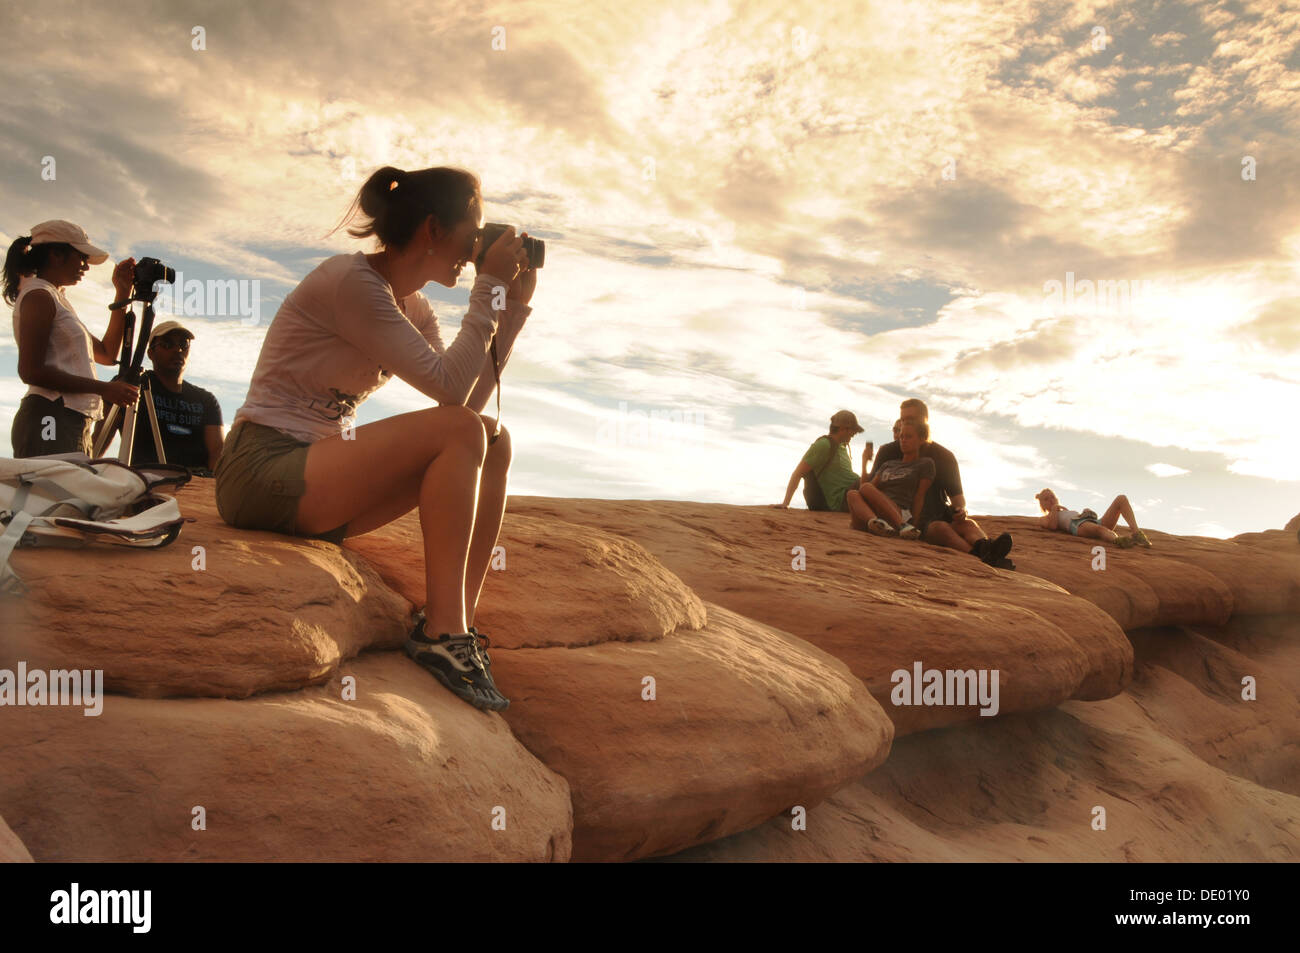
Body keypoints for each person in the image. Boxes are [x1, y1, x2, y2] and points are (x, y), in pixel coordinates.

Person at [214, 165, 535, 712]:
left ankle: (453, 624)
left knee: (493, 439)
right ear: (433, 228)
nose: (477, 247)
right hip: (260, 467)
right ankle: (442, 634)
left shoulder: (413, 307)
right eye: (473, 231)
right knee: (465, 431)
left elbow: (461, 408)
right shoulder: (350, 282)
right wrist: (487, 290)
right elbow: (448, 392)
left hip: (316, 484)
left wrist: (511, 314)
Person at [5, 221, 140, 457]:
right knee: (54, 494)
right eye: (82, 258)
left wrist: (122, 292)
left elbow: (107, 354)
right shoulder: (39, 296)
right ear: (56, 254)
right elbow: (30, 371)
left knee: (67, 494)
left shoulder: (56, 299)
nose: (86, 267)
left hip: (71, 419)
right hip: (52, 415)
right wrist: (104, 389)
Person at [871, 398, 1013, 568]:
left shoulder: (943, 456)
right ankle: (981, 555)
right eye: (903, 420)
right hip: (907, 517)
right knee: (940, 528)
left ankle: (986, 547)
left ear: (925, 420)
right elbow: (872, 488)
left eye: (911, 419)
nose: (906, 423)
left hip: (939, 512)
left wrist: (960, 511)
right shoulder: (888, 451)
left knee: (967, 524)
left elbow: (958, 500)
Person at [92, 320, 225, 473]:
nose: (178, 349)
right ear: (150, 353)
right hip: (145, 482)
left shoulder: (206, 400)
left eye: (184, 344)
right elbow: (100, 439)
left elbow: (217, 453)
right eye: (167, 344)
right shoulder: (131, 386)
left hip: (194, 483)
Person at [846, 418, 934, 539]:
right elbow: (865, 490)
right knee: (852, 493)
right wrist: (864, 462)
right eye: (901, 436)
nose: (903, 440)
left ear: (921, 439)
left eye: (908, 437)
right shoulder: (889, 464)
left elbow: (920, 496)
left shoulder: (925, 464)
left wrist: (915, 524)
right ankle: (876, 524)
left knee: (866, 488)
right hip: (875, 513)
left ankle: (903, 526)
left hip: (900, 512)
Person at [774, 410, 867, 512]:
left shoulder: (842, 446)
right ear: (842, 429)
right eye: (853, 430)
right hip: (838, 500)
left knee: (881, 477)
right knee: (876, 477)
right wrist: (786, 503)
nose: (854, 434)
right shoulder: (823, 445)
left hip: (852, 491)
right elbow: (798, 473)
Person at [1035, 488, 1151, 548]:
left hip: (1092, 522)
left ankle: (1136, 534)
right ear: (1042, 505)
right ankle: (1118, 541)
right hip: (1078, 526)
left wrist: (1086, 512)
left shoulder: (1067, 511)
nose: (1051, 500)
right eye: (1046, 499)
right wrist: (1055, 509)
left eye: (1052, 497)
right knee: (1101, 530)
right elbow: (1053, 526)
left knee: (1121, 499)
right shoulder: (1045, 518)